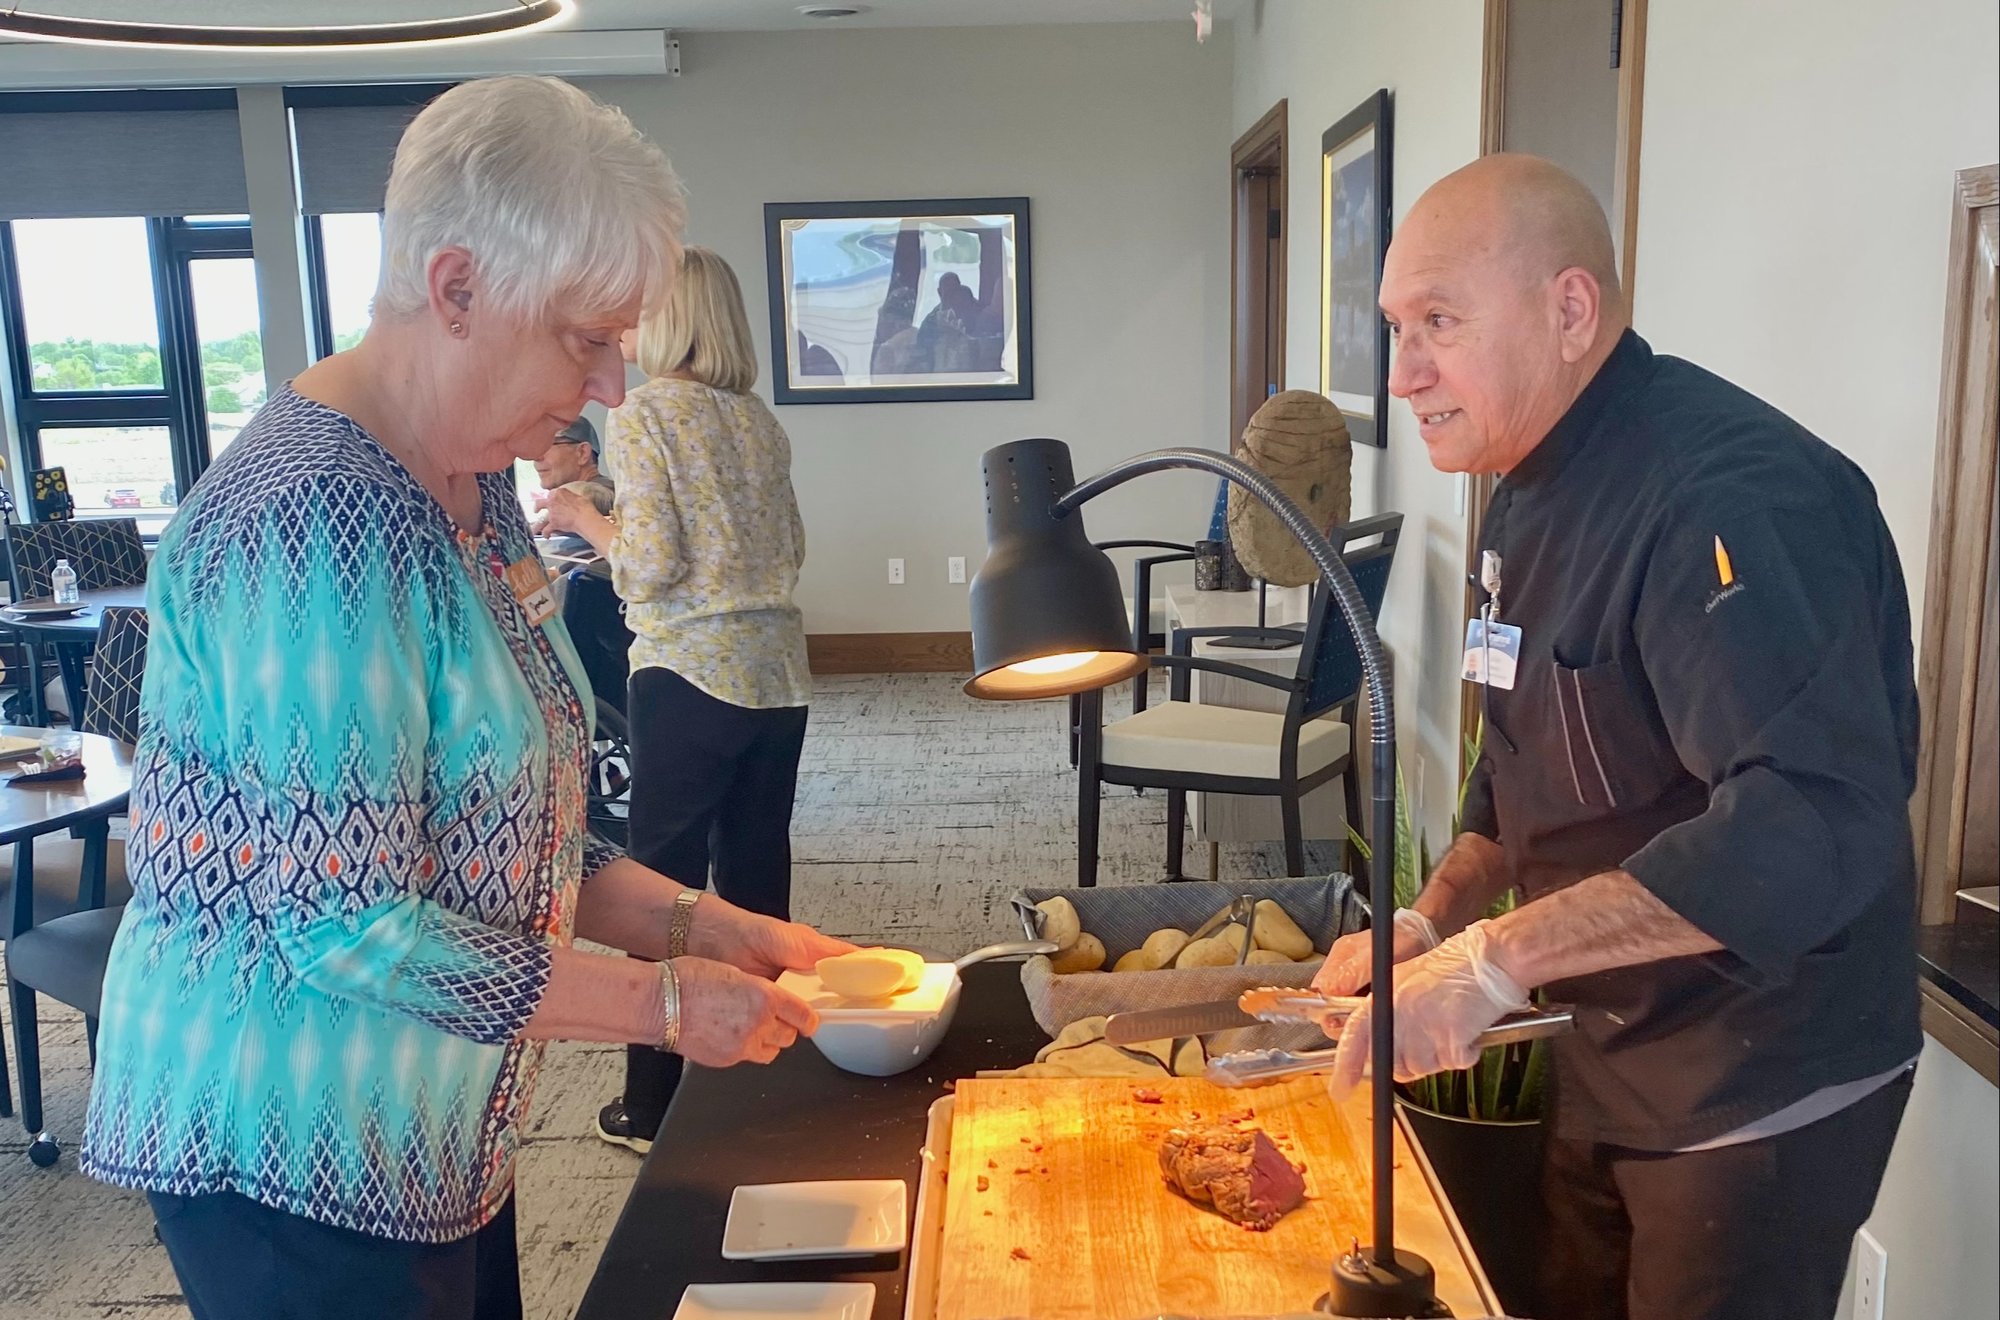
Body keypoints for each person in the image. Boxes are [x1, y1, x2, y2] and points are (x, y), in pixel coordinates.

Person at [81, 77, 849, 1320]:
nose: (613, 386)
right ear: (456, 291)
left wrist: (709, 928)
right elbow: (350, 925)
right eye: (586, 338)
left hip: (433, 1117)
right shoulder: (312, 520)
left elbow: (513, 824)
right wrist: (662, 1005)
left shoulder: (472, 476)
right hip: (288, 1138)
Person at [1314, 154, 1920, 1320]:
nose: (1402, 373)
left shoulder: (1730, 501)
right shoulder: (1522, 482)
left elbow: (1805, 819)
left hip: (1754, 1074)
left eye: (1438, 321)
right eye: (1393, 328)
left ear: (1569, 310)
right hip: (1605, 1032)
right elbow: (1524, 763)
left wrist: (1492, 962)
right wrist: (1428, 919)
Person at [542, 246, 813, 1156]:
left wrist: (582, 516)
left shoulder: (647, 412)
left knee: (665, 895)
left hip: (689, 676)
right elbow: (780, 545)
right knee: (756, 884)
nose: (623, 327)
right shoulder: (757, 420)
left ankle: (652, 1108)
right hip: (776, 677)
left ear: (670, 319)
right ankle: (762, 1082)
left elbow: (652, 565)